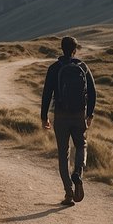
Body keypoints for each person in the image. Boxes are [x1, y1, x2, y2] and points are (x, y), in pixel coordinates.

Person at [41, 36, 96, 206]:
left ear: (61, 48)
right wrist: (90, 115)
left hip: (61, 116)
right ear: (75, 50)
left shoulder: (55, 68)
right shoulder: (83, 67)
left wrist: (44, 117)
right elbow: (93, 93)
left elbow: (47, 94)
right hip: (79, 115)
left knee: (63, 154)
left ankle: (68, 193)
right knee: (81, 145)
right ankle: (78, 173)